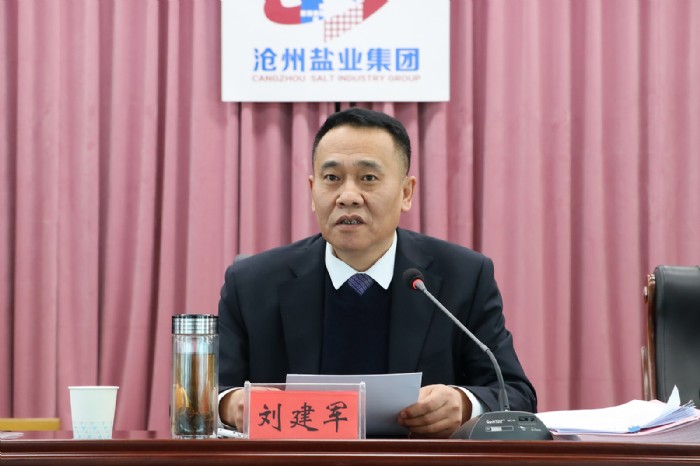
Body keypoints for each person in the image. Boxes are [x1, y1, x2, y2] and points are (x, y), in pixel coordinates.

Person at [217, 107, 537, 438]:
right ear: (313, 191)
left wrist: (464, 403)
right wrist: (230, 404)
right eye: (332, 178)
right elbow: (204, 394)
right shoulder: (252, 284)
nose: (348, 197)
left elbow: (516, 394)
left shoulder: (463, 277)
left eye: (368, 178)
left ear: (406, 193)